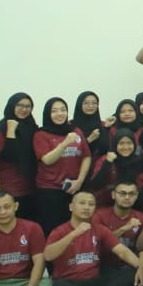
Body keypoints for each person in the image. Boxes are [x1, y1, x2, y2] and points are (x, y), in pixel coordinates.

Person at [44, 191, 143, 286]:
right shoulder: (59, 231)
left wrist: (141, 268)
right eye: (82, 203)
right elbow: (48, 255)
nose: (87, 207)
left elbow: (122, 251)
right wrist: (73, 234)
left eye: (91, 204)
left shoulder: (99, 229)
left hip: (94, 282)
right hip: (70, 284)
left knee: (131, 273)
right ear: (71, 207)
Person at [33, 97, 92, 234]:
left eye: (63, 110)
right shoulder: (41, 134)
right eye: (54, 111)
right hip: (50, 191)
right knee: (52, 230)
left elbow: (86, 156)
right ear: (48, 114)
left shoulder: (76, 131)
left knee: (75, 229)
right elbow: (47, 160)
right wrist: (65, 143)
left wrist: (80, 181)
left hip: (74, 187)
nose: (60, 114)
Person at [0, 93, 38, 217]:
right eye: (20, 105)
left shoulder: (31, 126)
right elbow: (9, 156)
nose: (24, 109)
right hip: (11, 188)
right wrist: (11, 131)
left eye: (28, 106)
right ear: (11, 106)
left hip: (32, 186)